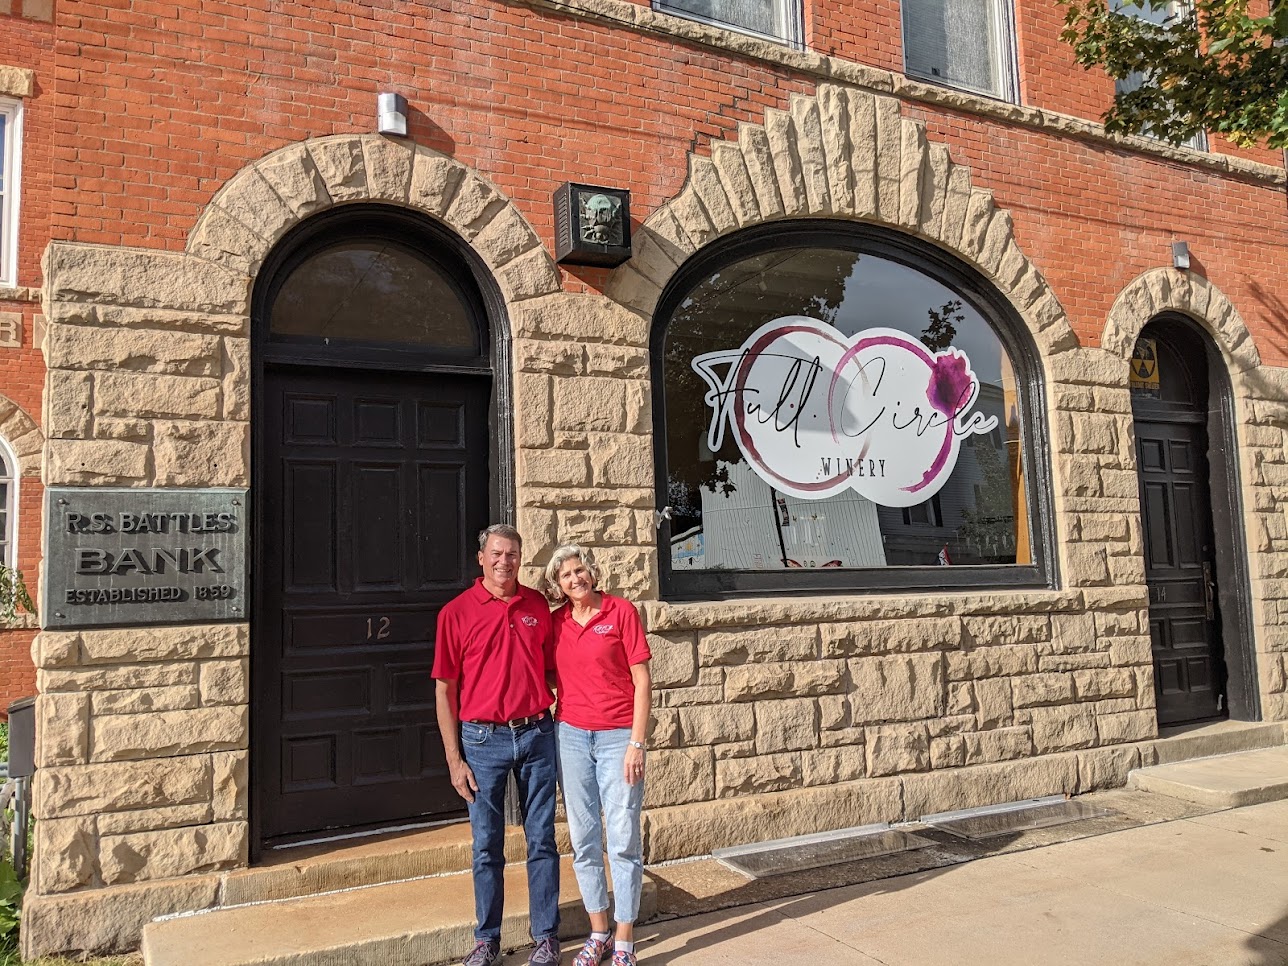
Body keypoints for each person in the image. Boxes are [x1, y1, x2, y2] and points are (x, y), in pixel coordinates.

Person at [434, 524, 562, 966]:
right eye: (497, 553)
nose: (505, 561)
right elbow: (445, 690)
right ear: (481, 558)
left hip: (536, 733)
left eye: (512, 554)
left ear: (520, 559)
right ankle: (486, 940)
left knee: (541, 839)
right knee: (486, 845)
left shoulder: (536, 605)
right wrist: (454, 759)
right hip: (482, 740)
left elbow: (552, 669)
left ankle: (546, 937)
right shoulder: (456, 612)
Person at [542, 545, 652, 966]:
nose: (575, 579)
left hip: (617, 738)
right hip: (570, 736)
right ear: (558, 585)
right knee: (584, 840)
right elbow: (551, 673)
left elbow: (642, 681)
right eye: (565, 575)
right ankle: (599, 931)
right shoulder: (557, 623)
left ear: (592, 571)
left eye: (579, 570)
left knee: (623, 838)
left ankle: (624, 938)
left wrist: (636, 743)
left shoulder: (621, 612)